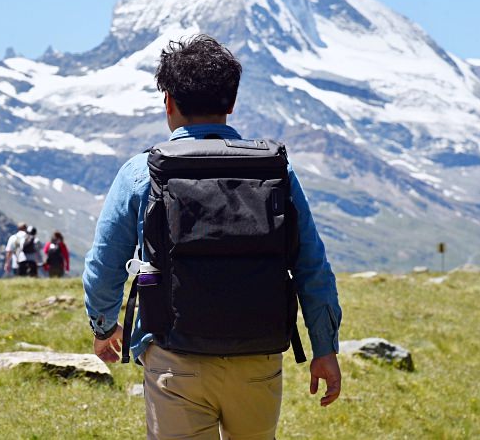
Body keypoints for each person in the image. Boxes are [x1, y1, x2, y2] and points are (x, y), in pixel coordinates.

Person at [82, 35, 342, 439]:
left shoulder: (142, 172)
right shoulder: (274, 172)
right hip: (257, 358)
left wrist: (104, 327)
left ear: (168, 101)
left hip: (174, 357)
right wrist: (324, 348)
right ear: (231, 103)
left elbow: (104, 263)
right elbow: (311, 265)